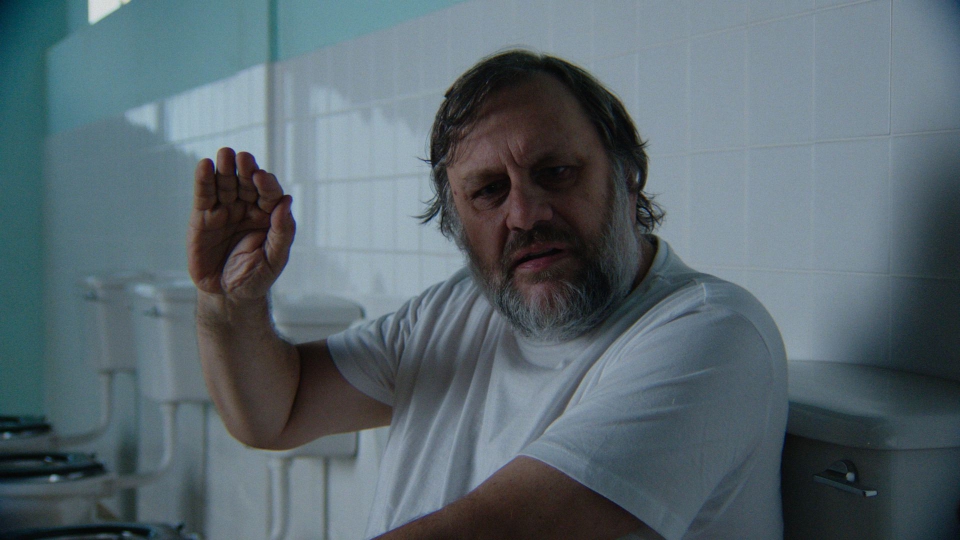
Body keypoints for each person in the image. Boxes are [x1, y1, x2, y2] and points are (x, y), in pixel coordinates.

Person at [188, 50, 788, 540]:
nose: (525, 214)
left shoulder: (711, 333)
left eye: (556, 173)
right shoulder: (455, 310)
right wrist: (228, 304)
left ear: (628, 177)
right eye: (489, 191)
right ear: (455, 223)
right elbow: (276, 412)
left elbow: (500, 530)